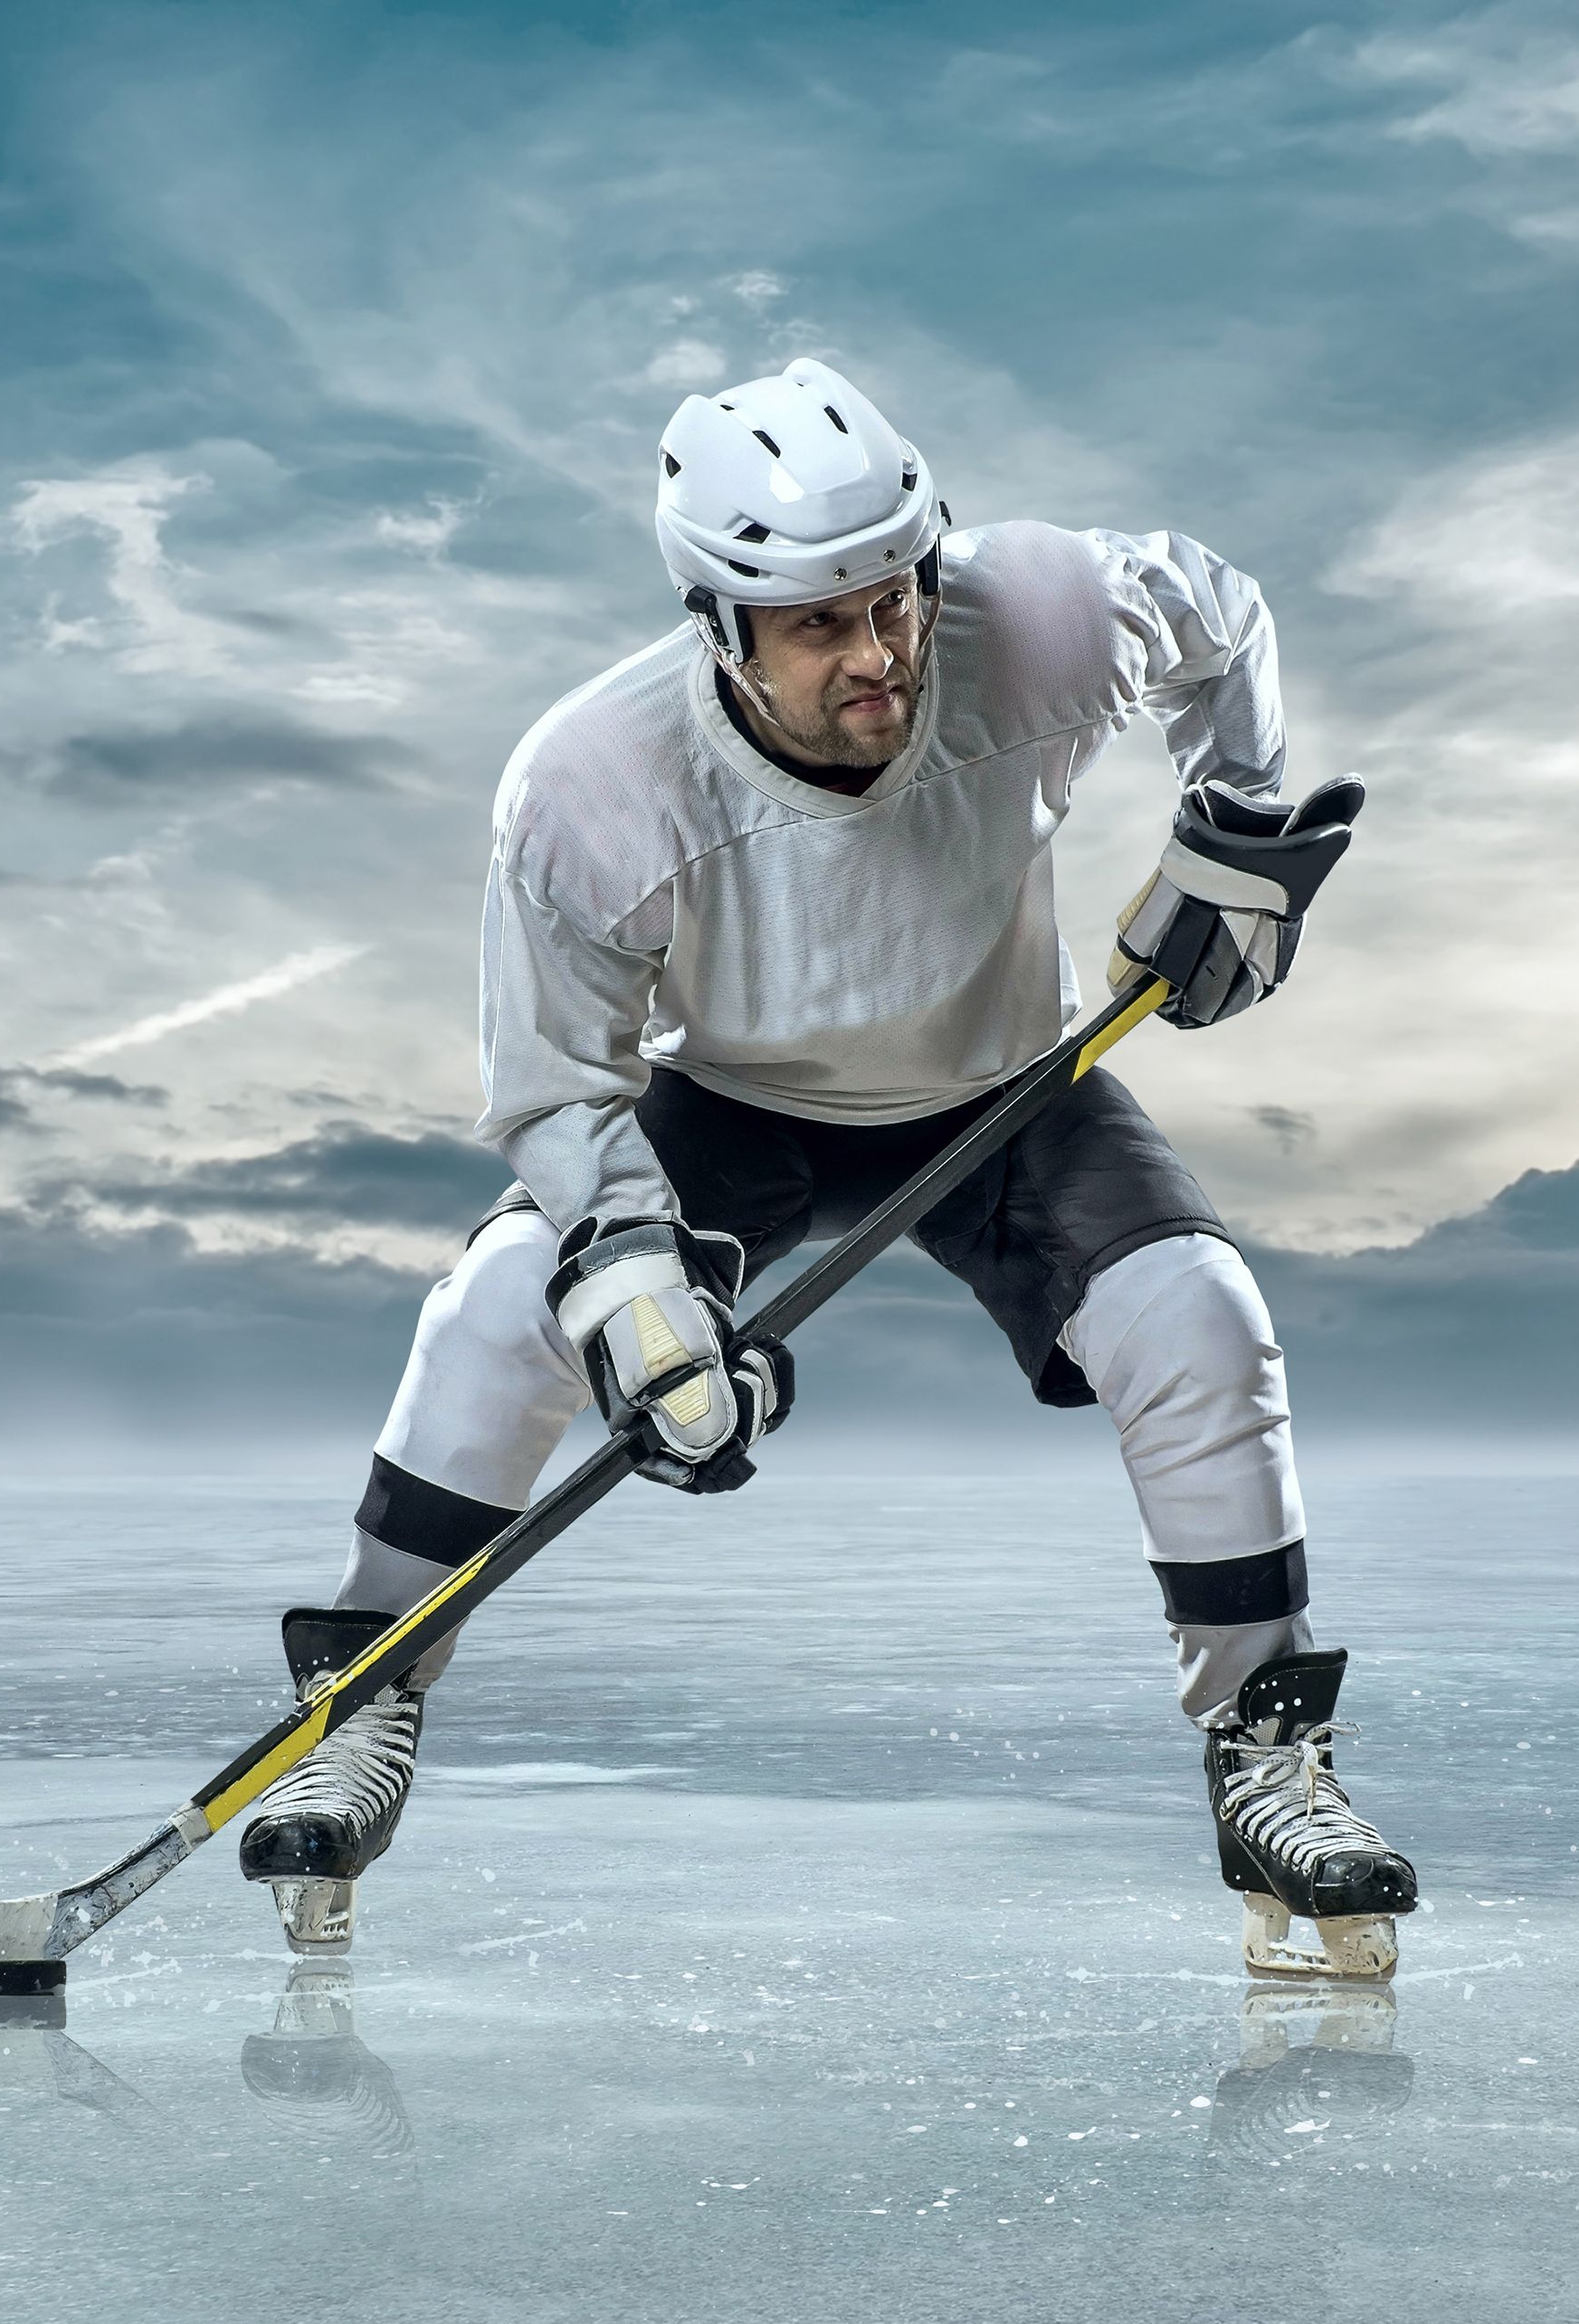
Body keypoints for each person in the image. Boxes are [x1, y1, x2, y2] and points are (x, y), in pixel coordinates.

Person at [233, 358, 1414, 1985]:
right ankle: (359, 1707)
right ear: (718, 622)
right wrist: (643, 1307)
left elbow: (1222, 613)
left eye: (894, 599)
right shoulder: (587, 789)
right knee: (503, 1307)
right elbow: (559, 1096)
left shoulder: (1050, 614)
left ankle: (1269, 1758)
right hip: (738, 1097)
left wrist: (1240, 821)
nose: (879, 655)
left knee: (1201, 1318)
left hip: (1006, 1082)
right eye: (816, 624)